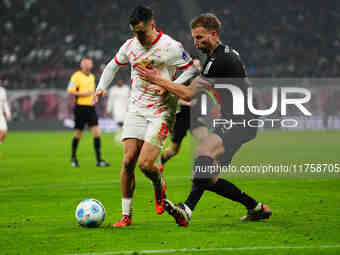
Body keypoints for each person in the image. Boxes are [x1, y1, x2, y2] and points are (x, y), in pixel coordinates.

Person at [136, 13, 272, 227]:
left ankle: (187, 209)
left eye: (200, 37)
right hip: (237, 118)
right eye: (194, 38)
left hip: (240, 120)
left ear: (214, 34)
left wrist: (157, 79)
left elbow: (189, 94)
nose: (196, 42)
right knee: (206, 176)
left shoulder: (219, 59)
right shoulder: (222, 55)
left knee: (203, 155)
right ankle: (255, 208)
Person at [93, 5, 197, 227]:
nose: (138, 37)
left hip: (162, 110)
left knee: (146, 164)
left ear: (152, 24)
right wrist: (101, 87)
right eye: (134, 32)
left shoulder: (170, 46)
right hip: (136, 110)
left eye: (142, 32)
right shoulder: (130, 46)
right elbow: (112, 65)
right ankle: (126, 216)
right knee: (128, 160)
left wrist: (170, 86)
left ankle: (159, 184)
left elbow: (191, 70)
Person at [158, 58, 207, 168]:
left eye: (199, 66)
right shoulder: (183, 80)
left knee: (205, 141)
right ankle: (160, 161)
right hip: (180, 116)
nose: (198, 68)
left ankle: (200, 169)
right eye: (195, 66)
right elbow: (173, 96)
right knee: (174, 150)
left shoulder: (202, 81)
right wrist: (187, 103)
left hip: (195, 116)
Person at [67, 57, 110, 168]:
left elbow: (93, 91)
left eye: (89, 63)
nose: (87, 65)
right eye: (85, 63)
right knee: (78, 134)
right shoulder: (76, 76)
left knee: (96, 133)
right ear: (81, 65)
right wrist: (83, 94)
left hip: (91, 108)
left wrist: (101, 92)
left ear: (91, 65)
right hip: (80, 108)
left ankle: (99, 160)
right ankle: (73, 158)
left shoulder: (92, 77)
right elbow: (70, 91)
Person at [106, 79, 130, 144]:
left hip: (125, 109)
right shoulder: (113, 89)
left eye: (121, 81)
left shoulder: (126, 89)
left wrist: (130, 108)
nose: (120, 82)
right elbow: (110, 100)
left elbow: (129, 99)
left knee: (125, 125)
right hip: (116, 108)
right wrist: (109, 109)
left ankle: (123, 138)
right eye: (118, 81)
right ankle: (117, 138)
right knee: (118, 124)